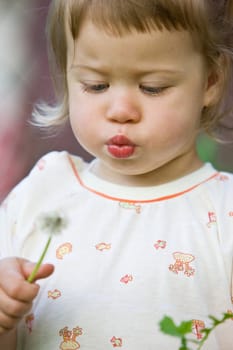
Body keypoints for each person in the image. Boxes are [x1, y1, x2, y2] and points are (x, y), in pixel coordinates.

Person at [0, 0, 233, 349]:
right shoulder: (42, 192)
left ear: (211, 81)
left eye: (152, 87)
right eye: (95, 85)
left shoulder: (224, 212)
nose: (121, 111)